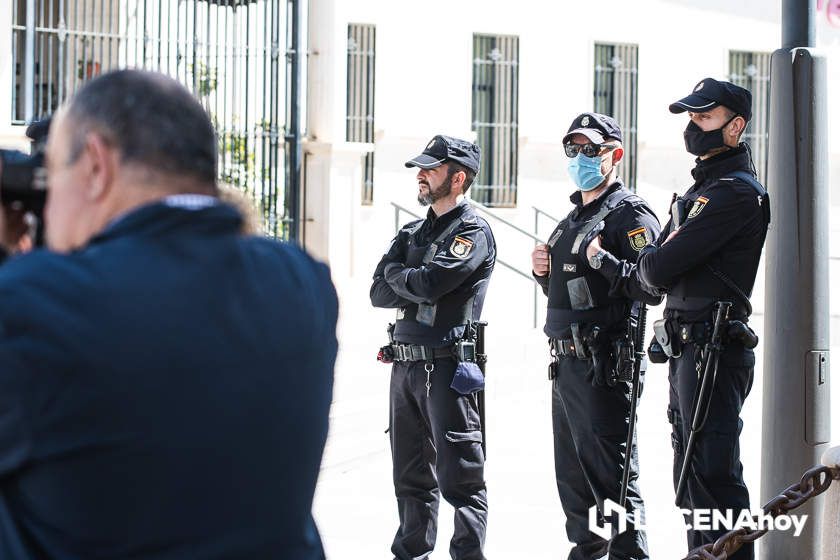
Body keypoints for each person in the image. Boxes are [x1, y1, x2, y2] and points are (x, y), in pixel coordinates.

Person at [0, 69, 338, 560]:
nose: (47, 207)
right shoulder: (303, 285)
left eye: (52, 175)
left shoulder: (33, 305)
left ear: (96, 164)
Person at [636, 78, 770, 559]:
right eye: (691, 118)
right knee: (691, 476)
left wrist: (657, 256)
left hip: (714, 348)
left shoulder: (734, 193)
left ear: (736, 126)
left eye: (705, 117)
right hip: (685, 349)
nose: (694, 127)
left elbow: (655, 267)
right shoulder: (701, 191)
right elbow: (646, 282)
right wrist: (657, 257)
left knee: (714, 476)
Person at [531, 112, 661, 560]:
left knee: (614, 480)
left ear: (615, 155)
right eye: (573, 149)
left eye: (591, 149)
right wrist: (541, 272)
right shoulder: (572, 219)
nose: (580, 157)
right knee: (573, 478)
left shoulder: (630, 214)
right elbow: (570, 290)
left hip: (606, 364)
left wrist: (604, 260)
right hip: (566, 363)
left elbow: (652, 284)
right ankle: (586, 551)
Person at [370, 135, 495, 560]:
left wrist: (403, 277)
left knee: (460, 478)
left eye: (432, 168)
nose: (421, 175)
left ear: (458, 178)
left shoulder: (473, 231)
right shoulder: (411, 231)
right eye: (421, 168)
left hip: (447, 368)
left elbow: (431, 283)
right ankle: (410, 553)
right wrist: (410, 279)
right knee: (409, 476)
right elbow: (377, 293)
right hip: (404, 368)